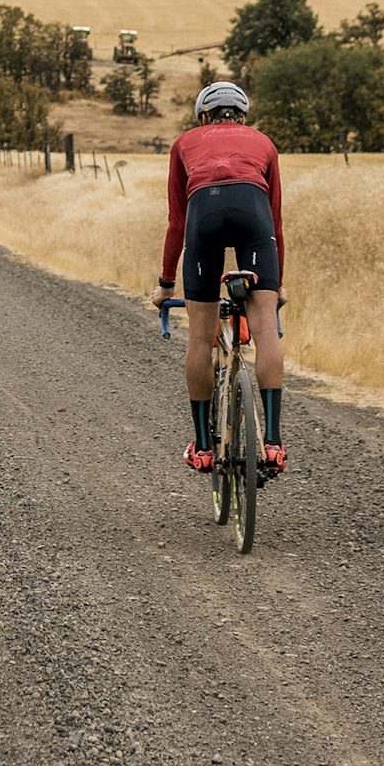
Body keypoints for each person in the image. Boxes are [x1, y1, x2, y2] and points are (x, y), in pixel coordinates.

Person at [153, 80, 286, 477]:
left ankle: (204, 448)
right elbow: (276, 221)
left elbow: (177, 221)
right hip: (254, 215)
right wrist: (278, 287)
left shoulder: (184, 143)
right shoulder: (263, 143)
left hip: (203, 218)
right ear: (243, 116)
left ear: (203, 117)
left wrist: (165, 284)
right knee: (264, 330)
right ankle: (275, 442)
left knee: (198, 337)